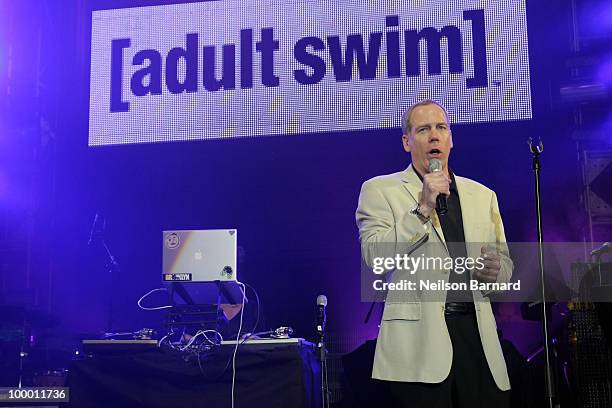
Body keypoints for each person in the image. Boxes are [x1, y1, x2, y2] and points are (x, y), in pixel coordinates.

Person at [355, 100, 512, 407]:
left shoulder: (482, 195)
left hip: (477, 336)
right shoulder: (380, 190)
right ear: (407, 141)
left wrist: (495, 272)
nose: (435, 136)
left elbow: (504, 267)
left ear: (451, 139)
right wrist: (423, 208)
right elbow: (375, 257)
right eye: (423, 129)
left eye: (441, 128)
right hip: (418, 346)